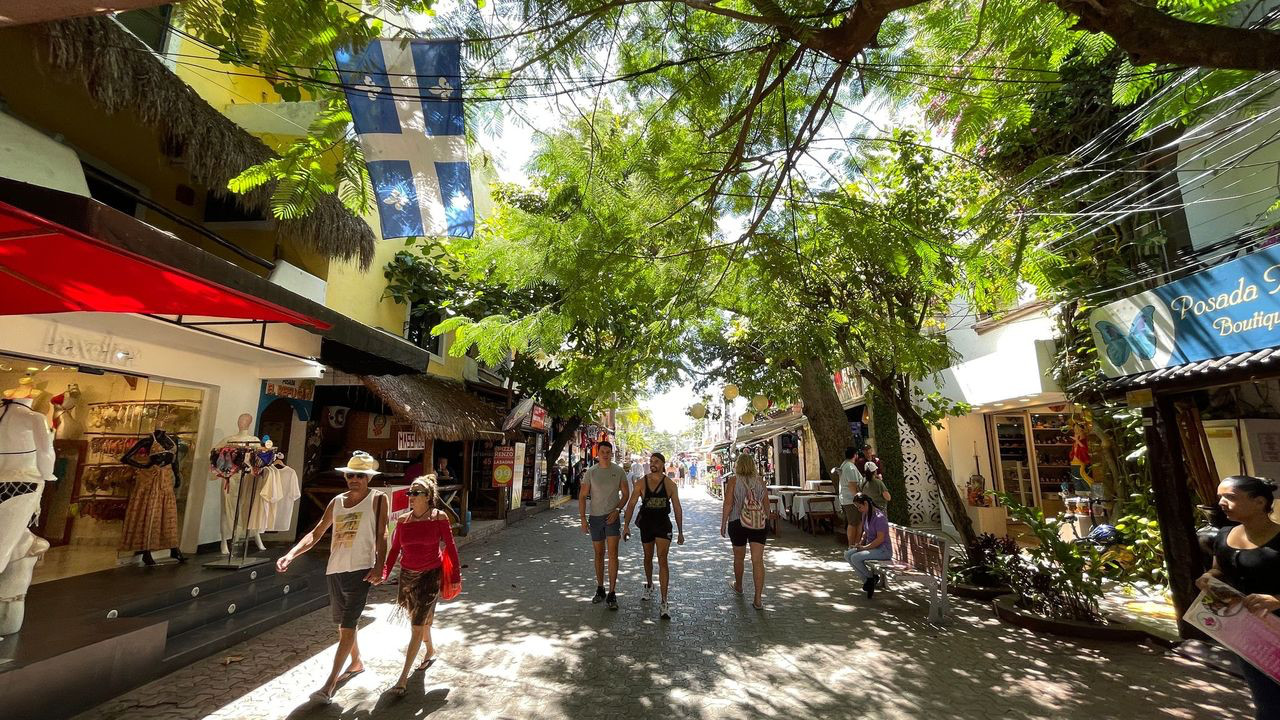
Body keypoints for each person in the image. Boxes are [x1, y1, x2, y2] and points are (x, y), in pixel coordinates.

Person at [277, 451, 389, 704]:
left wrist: (380, 565)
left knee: (348, 625)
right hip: (335, 569)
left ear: (368, 478)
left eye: (360, 475)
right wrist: (291, 554)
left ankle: (328, 686)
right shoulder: (337, 502)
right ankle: (357, 662)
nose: (354, 479)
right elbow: (316, 533)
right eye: (351, 475)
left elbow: (382, 534)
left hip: (361, 569)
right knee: (343, 626)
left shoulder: (378, 499)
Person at [1196, 475, 1280, 719]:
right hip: (1250, 632)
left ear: (1259, 502)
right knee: (1268, 703)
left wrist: (1277, 600)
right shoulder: (1224, 535)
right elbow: (1219, 570)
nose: (1222, 502)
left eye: (1230, 497)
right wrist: (1208, 578)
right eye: (1220, 496)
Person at [383, 475, 460, 696]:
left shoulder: (439, 518)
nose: (411, 497)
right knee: (418, 619)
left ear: (428, 497)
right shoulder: (403, 521)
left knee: (417, 625)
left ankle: (402, 678)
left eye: (416, 493)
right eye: (410, 493)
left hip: (430, 576)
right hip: (407, 577)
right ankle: (430, 650)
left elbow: (451, 547)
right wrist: (386, 572)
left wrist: (455, 575)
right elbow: (395, 549)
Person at [623, 452, 685, 619]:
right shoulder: (641, 483)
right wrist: (626, 526)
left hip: (663, 525)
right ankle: (649, 584)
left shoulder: (670, 485)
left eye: (656, 461)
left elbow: (678, 508)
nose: (653, 464)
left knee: (662, 559)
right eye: (651, 461)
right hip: (647, 525)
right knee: (647, 557)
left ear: (663, 464)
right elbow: (631, 504)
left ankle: (664, 602)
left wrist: (680, 531)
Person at [579, 441, 629, 610]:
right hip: (595, 518)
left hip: (612, 517)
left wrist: (618, 509)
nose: (606, 454)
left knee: (613, 554)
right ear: (598, 453)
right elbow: (582, 496)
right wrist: (583, 519)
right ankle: (600, 588)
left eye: (609, 452)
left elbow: (626, 494)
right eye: (603, 451)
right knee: (599, 554)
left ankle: (612, 593)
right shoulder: (591, 472)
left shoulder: (618, 471)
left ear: (611, 453)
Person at [720, 452, 768, 610]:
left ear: (738, 465)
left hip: (737, 522)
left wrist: (723, 523)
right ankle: (758, 599)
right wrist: (765, 518)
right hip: (758, 524)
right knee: (757, 560)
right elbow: (766, 505)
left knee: (739, 558)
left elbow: (728, 504)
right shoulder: (761, 481)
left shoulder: (733, 481)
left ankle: (739, 585)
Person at [844, 493, 892, 598]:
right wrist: (860, 543)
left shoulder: (879, 517)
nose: (858, 509)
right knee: (848, 554)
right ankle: (869, 579)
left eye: (859, 507)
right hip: (872, 548)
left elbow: (880, 539)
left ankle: (870, 580)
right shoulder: (865, 514)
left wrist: (865, 548)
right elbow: (866, 532)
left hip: (883, 550)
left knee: (856, 557)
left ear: (865, 503)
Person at [838, 447, 863, 548]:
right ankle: (852, 546)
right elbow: (852, 485)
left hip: (847, 499)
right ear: (855, 455)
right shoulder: (850, 467)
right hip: (852, 500)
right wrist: (858, 500)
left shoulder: (845, 465)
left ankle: (855, 545)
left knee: (856, 523)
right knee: (854, 523)